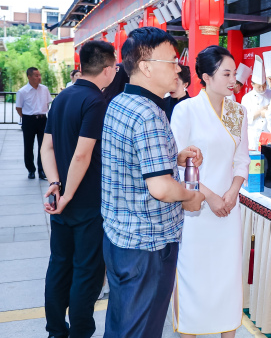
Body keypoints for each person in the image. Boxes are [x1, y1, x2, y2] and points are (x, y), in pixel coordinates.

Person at [101, 27, 205, 338]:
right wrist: (190, 197)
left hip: (119, 236)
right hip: (148, 245)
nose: (179, 67)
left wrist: (173, 156)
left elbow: (131, 159)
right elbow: (160, 188)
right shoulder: (149, 114)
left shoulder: (121, 102)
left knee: (122, 323)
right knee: (141, 329)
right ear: (146, 66)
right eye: (173, 61)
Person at [170, 46, 250, 337]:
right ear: (205, 77)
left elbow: (242, 159)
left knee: (227, 277)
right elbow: (177, 164)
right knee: (194, 275)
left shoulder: (236, 111)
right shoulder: (186, 110)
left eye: (234, 73)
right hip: (196, 210)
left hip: (229, 210)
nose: (233, 79)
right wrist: (210, 196)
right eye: (226, 73)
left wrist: (231, 193)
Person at [40, 40, 117, 338]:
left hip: (61, 200)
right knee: (86, 273)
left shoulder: (62, 97)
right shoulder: (96, 102)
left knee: (59, 267)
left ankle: (56, 331)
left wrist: (56, 185)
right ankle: (80, 332)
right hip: (85, 203)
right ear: (108, 70)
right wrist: (69, 194)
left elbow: (47, 147)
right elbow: (82, 155)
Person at [16, 67, 53, 179]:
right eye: (36, 75)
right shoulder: (22, 91)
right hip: (29, 120)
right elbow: (18, 108)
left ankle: (42, 170)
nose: (39, 77)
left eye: (39, 75)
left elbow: (47, 103)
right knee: (28, 146)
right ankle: (31, 170)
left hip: (42, 120)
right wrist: (26, 118)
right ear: (29, 77)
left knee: (43, 146)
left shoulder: (44, 89)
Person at [240, 55, 271, 150]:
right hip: (252, 136)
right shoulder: (247, 98)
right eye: (259, 86)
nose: (262, 88)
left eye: (264, 85)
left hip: (268, 135)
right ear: (252, 84)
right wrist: (259, 112)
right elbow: (243, 119)